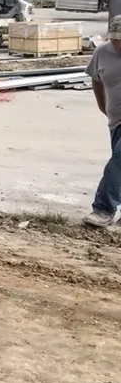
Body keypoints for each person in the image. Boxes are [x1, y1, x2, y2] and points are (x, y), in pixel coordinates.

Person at [83, 16, 121, 227]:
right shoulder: (102, 52)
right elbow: (96, 80)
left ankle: (104, 208)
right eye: (115, 40)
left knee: (119, 160)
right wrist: (103, 107)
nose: (119, 45)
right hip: (116, 121)